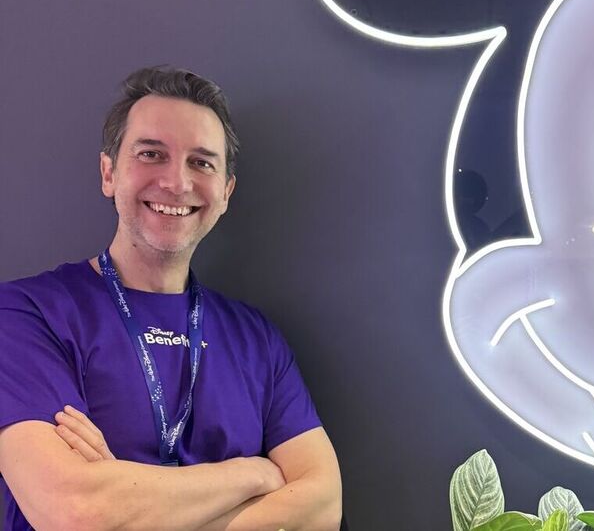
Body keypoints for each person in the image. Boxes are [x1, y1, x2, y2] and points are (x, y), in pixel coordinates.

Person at [0, 67, 342, 530]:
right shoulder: (26, 315)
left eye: (202, 163)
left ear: (226, 192)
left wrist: (128, 499)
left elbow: (322, 508)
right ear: (109, 173)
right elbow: (76, 512)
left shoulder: (256, 339)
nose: (177, 183)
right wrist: (251, 474)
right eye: (151, 154)